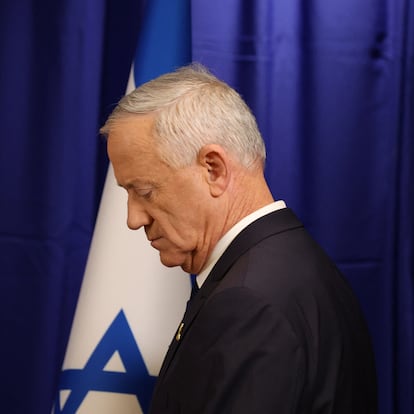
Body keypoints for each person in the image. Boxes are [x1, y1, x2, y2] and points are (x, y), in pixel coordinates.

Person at [101, 64, 377, 413]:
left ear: (213, 169)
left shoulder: (248, 302)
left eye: (144, 191)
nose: (133, 218)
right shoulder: (295, 266)